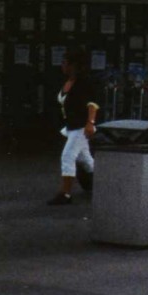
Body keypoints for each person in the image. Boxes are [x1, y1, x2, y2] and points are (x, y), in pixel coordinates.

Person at [48, 47, 99, 205]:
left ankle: (66, 194)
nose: (62, 66)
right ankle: (106, 183)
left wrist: (90, 123)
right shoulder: (67, 82)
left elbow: (92, 104)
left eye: (64, 63)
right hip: (71, 127)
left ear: (73, 65)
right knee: (86, 161)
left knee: (67, 156)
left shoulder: (84, 82)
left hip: (80, 127)